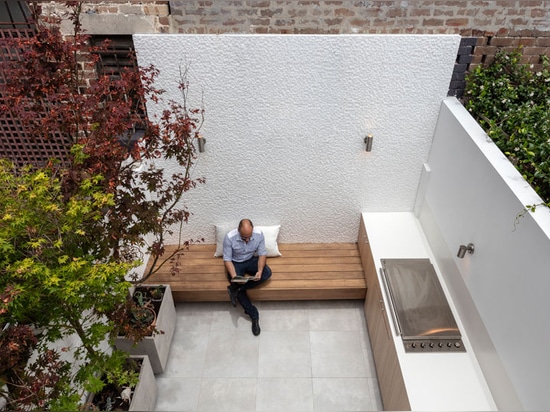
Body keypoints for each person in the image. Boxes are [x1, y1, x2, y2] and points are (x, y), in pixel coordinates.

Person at [223, 218, 272, 336]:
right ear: (238, 231)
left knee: (267, 273)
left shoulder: (259, 235)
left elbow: (262, 254)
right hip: (236, 262)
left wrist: (259, 270)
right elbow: (227, 259)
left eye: (249, 236)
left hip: (250, 260)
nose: (247, 239)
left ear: (253, 229)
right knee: (236, 283)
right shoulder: (229, 237)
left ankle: (236, 288)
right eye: (244, 237)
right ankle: (254, 316)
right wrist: (235, 277)